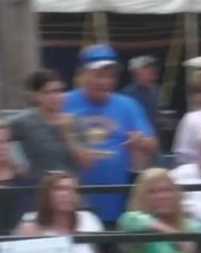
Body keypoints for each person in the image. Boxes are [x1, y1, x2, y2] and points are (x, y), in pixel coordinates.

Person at [64, 44, 157, 226]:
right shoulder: (64, 103)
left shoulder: (129, 105)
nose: (106, 82)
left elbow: (152, 143)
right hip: (74, 202)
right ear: (82, 74)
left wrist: (140, 142)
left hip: (119, 200)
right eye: (99, 75)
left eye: (111, 76)